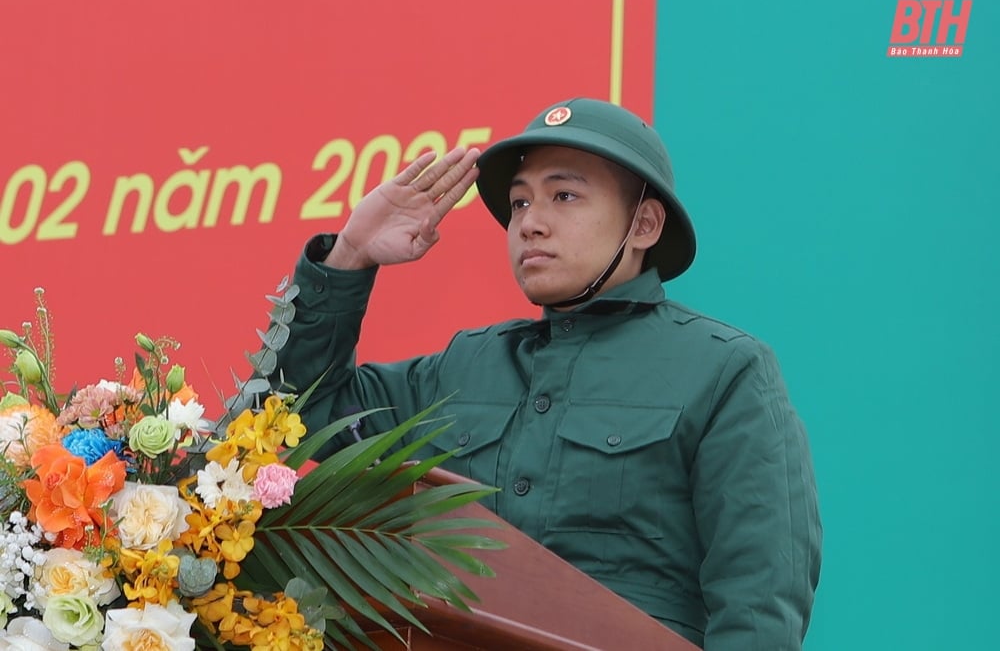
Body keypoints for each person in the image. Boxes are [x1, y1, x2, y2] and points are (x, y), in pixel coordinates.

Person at [272, 98, 822, 650]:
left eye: (564, 196)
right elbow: (299, 409)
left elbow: (759, 600)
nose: (530, 223)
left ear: (645, 223)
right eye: (518, 203)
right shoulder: (467, 365)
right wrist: (349, 255)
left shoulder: (723, 369)